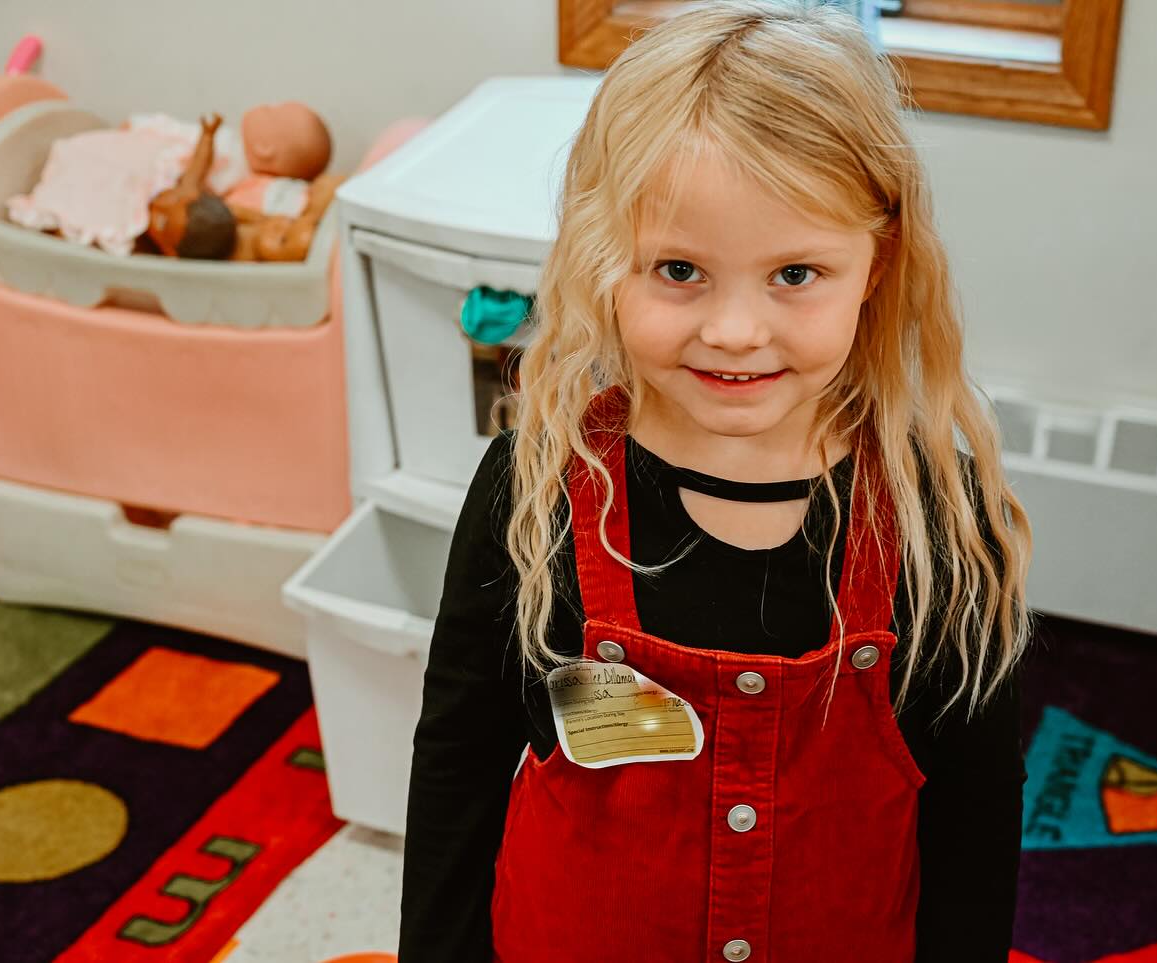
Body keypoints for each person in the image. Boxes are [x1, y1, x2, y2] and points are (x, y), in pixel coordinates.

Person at [399, 2, 1035, 960]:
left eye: (795, 274)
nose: (736, 331)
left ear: (878, 262)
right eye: (680, 269)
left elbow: (975, 818)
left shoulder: (939, 516)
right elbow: (460, 762)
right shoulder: (531, 490)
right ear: (605, 260)